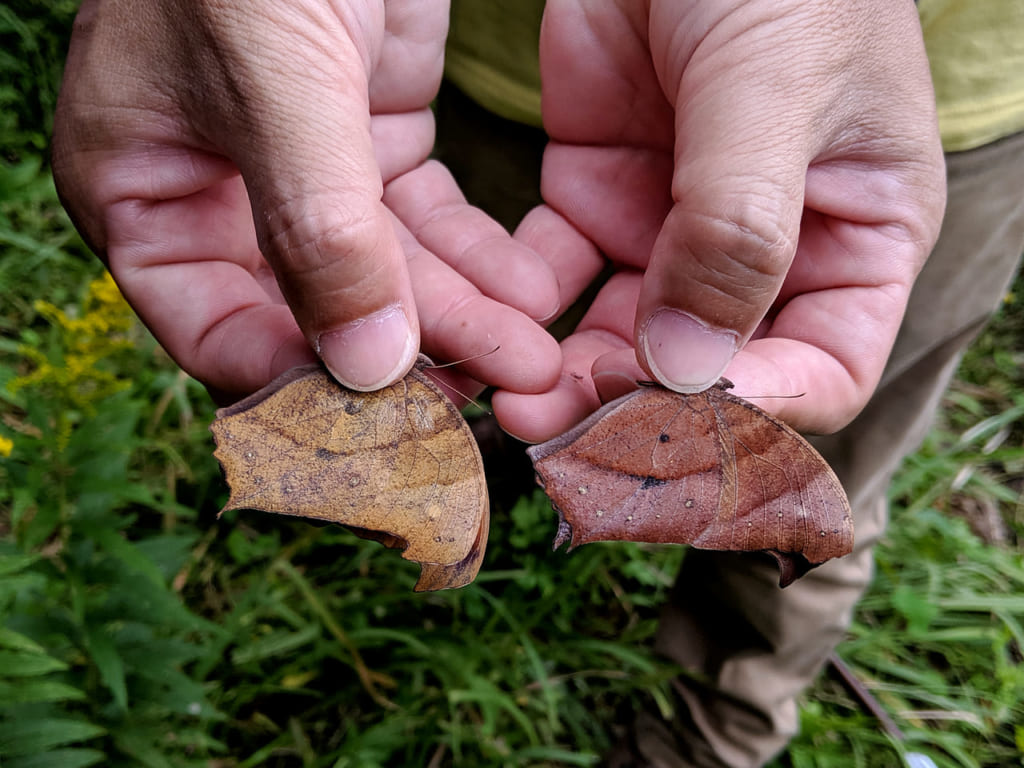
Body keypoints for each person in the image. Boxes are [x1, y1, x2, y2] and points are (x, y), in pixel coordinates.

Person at [51, 1, 1024, 766]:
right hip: (444, 62)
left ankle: (712, 732)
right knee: (476, 345)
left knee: (798, 476)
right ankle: (459, 502)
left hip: (923, 103)